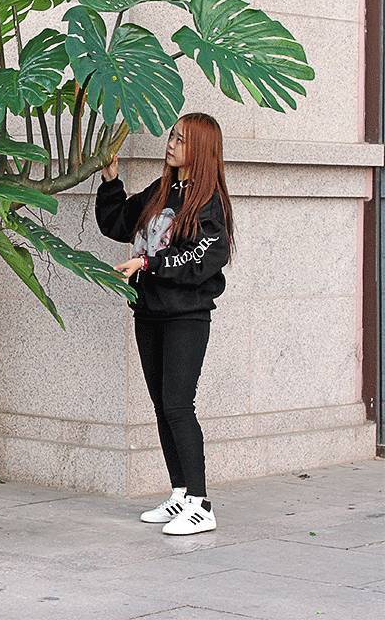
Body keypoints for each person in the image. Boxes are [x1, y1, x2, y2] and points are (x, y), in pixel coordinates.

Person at [95, 113, 233, 535]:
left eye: (180, 139)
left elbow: (202, 259)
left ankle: (201, 503)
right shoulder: (162, 190)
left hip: (187, 317)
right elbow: (119, 223)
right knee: (162, 407)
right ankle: (179, 494)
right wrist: (110, 180)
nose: (170, 143)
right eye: (172, 135)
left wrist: (148, 262)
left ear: (202, 151)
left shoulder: (210, 204)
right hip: (149, 311)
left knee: (178, 405)